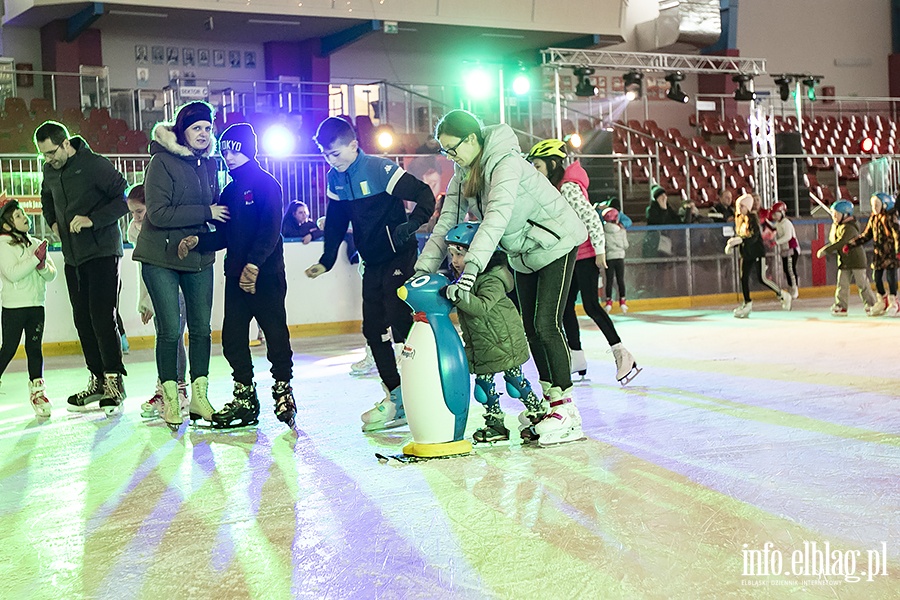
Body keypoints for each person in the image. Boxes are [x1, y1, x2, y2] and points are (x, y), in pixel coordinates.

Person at [415, 110, 588, 446]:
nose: (450, 156)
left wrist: (470, 271)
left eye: (453, 148)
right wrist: (423, 270)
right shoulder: (463, 174)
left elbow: (495, 218)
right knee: (529, 327)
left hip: (556, 241)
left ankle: (567, 409)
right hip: (523, 251)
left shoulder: (504, 163)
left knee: (546, 324)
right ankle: (550, 404)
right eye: (445, 151)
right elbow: (445, 224)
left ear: (472, 139)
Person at [304, 116, 435, 432]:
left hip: (398, 255)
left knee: (398, 315)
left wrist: (410, 226)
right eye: (324, 154)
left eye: (334, 154)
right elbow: (335, 222)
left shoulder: (379, 169)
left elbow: (425, 196)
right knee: (373, 328)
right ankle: (397, 396)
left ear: (353, 145)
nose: (329, 161)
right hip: (372, 261)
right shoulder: (336, 180)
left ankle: (423, 390)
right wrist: (326, 260)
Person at [180, 123, 297, 429]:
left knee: (275, 334)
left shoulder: (267, 185)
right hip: (235, 277)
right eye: (225, 150)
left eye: (235, 149)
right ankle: (245, 397)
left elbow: (271, 229)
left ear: (248, 149)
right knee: (232, 338)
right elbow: (224, 236)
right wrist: (198, 242)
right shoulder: (230, 191)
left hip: (266, 275)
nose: (229, 156)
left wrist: (256, 264)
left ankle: (283, 389)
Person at [133, 101, 229, 430]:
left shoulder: (209, 163)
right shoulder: (161, 161)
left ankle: (200, 398)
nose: (203, 133)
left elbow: (217, 206)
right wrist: (206, 212)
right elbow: (157, 214)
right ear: (182, 132)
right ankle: (172, 400)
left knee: (201, 329)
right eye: (196, 128)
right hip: (160, 256)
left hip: (198, 256)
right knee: (171, 330)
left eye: (207, 128)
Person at [525, 139, 639, 386]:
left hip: (585, 255)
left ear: (553, 164)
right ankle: (576, 356)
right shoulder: (555, 188)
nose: (535, 171)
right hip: (571, 256)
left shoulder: (567, 188)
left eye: (538, 166)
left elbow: (591, 217)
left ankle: (622, 354)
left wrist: (600, 251)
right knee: (565, 306)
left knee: (591, 305)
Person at [35, 120, 129, 415]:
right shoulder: (50, 170)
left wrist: (93, 219)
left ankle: (115, 383)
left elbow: (124, 199)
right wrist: (53, 223)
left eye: (52, 152)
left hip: (101, 251)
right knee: (83, 320)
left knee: (102, 318)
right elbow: (46, 198)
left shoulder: (95, 165)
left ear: (65, 144)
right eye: (44, 155)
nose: (49, 159)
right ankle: (98, 380)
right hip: (73, 256)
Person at [440, 222, 546, 443]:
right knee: (484, 386)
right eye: (452, 255)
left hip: (502, 341)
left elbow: (481, 307)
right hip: (483, 343)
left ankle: (538, 414)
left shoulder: (492, 278)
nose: (455, 261)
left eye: (460, 254)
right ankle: (495, 423)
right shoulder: (465, 280)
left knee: (515, 382)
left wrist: (456, 294)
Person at [126, 184, 189, 419]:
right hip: (155, 291)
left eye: (139, 211)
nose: (135, 218)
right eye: (132, 212)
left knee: (173, 338)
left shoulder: (166, 227)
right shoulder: (136, 231)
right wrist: (145, 302)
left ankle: (179, 389)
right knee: (164, 338)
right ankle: (165, 387)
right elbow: (145, 270)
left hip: (178, 290)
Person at [0, 198, 56, 417]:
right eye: (18, 216)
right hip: (14, 307)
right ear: (6, 225)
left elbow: (52, 274)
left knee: (35, 349)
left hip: (36, 305)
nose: (24, 218)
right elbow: (12, 273)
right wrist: (35, 260)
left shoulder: (35, 242)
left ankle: (38, 391)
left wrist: (42, 265)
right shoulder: (3, 245)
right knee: (10, 348)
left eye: (23, 213)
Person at [726, 193, 793, 318]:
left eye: (742, 206)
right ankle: (747, 303)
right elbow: (742, 237)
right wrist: (733, 244)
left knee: (762, 278)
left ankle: (782, 295)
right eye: (739, 206)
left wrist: (741, 240)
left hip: (756, 253)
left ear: (748, 207)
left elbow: (754, 236)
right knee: (743, 278)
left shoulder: (752, 219)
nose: (740, 208)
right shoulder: (740, 220)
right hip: (746, 253)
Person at [844, 193, 899, 316]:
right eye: (873, 205)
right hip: (879, 254)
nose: (874, 207)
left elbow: (897, 234)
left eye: (877, 205)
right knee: (877, 277)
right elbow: (866, 235)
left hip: (890, 254)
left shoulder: (891, 216)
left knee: (891, 278)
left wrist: (898, 250)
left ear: (884, 204)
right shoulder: (874, 218)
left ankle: (894, 302)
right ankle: (882, 301)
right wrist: (851, 244)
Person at [766, 201, 800, 299]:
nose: (774, 216)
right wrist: (765, 221)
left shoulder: (786, 223)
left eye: (776, 213)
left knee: (790, 269)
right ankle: (790, 288)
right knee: (786, 270)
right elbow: (773, 227)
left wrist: (776, 242)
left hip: (791, 249)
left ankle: (794, 289)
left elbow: (788, 236)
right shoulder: (778, 223)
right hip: (785, 250)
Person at [601, 207, 629, 313]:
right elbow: (625, 245)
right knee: (620, 279)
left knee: (609, 280)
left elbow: (603, 245)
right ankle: (622, 301)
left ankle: (608, 302)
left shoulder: (603, 232)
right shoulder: (621, 231)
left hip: (609, 258)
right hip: (620, 257)